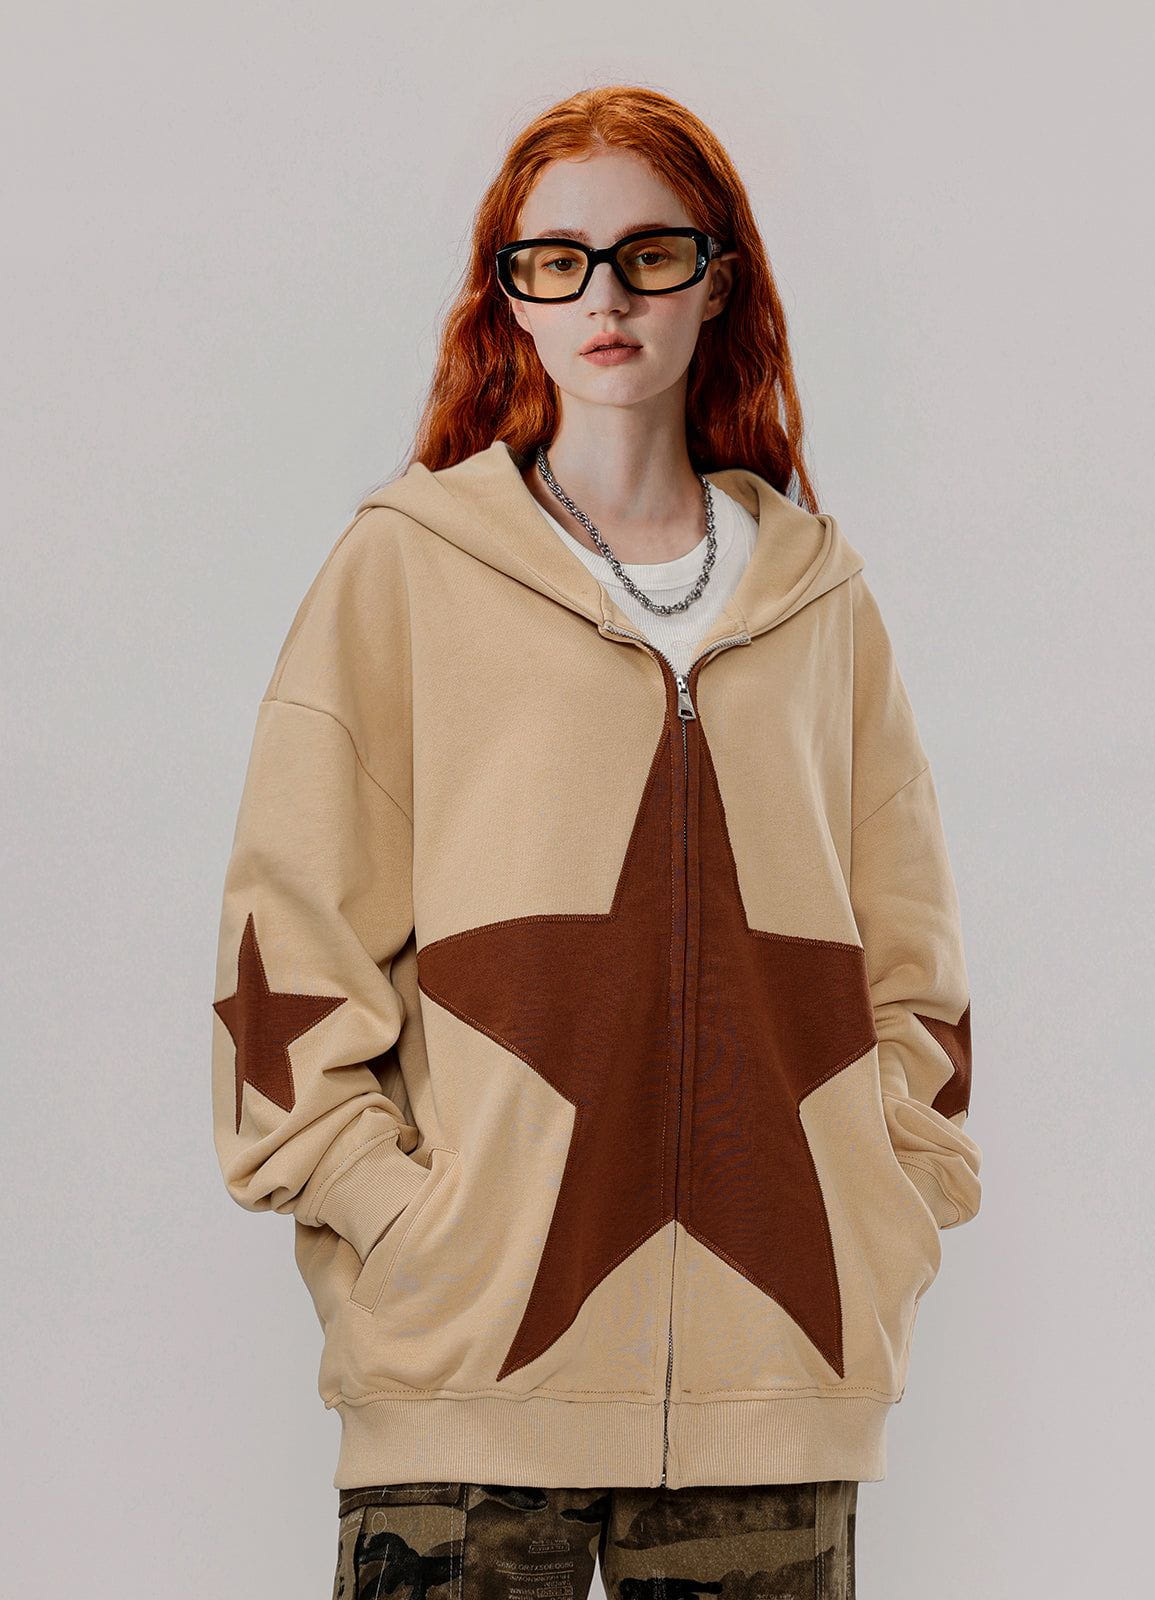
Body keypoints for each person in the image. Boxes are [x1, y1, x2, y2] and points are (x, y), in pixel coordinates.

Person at [210, 85, 982, 1600]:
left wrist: (894, 1184)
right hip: (467, 1367)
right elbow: (287, 942)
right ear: (508, 294)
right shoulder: (406, 568)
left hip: (778, 1362)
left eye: (650, 253)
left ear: (720, 280)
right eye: (555, 260)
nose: (606, 298)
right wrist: (402, 1218)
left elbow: (913, 949)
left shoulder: (822, 603)